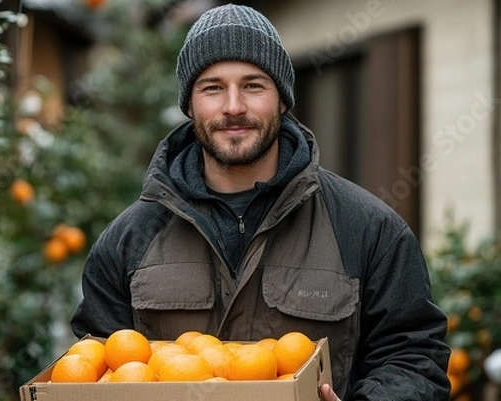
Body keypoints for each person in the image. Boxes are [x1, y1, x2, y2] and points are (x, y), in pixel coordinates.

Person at [70, 3, 450, 400]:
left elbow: (414, 359)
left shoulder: (368, 230)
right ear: (189, 105)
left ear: (283, 100)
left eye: (253, 85)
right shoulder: (127, 241)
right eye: (212, 87)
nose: (233, 106)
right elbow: (95, 368)